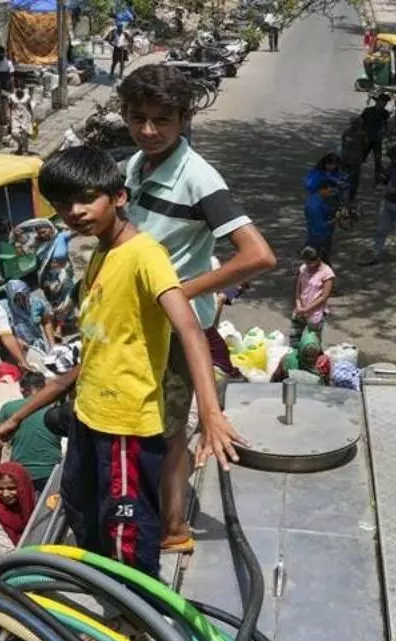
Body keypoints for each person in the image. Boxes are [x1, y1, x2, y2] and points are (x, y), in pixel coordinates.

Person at [15, 145, 241, 577]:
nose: (76, 212)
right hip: (90, 414)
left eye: (87, 199)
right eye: (64, 204)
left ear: (118, 197)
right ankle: (104, 583)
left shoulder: (144, 254)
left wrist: (210, 414)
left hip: (126, 424)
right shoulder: (102, 252)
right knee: (81, 504)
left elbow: (190, 328)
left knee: (128, 530)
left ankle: (133, 612)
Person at [117, 65, 276, 556]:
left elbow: (258, 256)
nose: (148, 130)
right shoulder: (135, 165)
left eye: (161, 120)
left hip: (176, 330)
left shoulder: (199, 179)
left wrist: (181, 291)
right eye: (138, 118)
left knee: (167, 432)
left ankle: (172, 528)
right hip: (137, 325)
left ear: (184, 118)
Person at [0, 372, 63, 489]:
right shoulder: (56, 408)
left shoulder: (9, 408)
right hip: (52, 472)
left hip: (21, 473)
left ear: (22, 389)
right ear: (44, 388)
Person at [291, 247, 334, 344]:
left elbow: (324, 297)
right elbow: (298, 289)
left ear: (318, 259)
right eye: (305, 262)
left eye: (309, 263)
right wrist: (299, 305)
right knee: (294, 340)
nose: (307, 265)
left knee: (313, 344)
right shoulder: (303, 268)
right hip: (300, 310)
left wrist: (306, 309)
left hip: (315, 314)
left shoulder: (327, 273)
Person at [2, 278, 54, 354]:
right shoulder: (4, 310)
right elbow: (3, 334)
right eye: (17, 299)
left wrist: (52, 344)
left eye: (23, 297)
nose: (21, 301)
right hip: (18, 351)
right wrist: (17, 340)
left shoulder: (36, 303)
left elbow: (46, 322)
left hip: (38, 347)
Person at [358, 94, 390, 186]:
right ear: (378, 101)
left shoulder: (385, 113)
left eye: (385, 102)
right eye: (382, 101)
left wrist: (384, 134)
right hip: (366, 138)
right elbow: (361, 122)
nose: (383, 104)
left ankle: (377, 180)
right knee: (360, 158)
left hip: (377, 140)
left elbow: (386, 126)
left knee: (378, 159)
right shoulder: (368, 111)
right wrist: (361, 135)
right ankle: (351, 176)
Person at [305, 181, 337, 262]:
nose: (330, 194)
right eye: (329, 191)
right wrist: (335, 220)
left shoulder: (318, 199)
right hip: (319, 238)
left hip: (319, 235)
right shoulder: (315, 207)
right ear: (322, 190)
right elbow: (319, 226)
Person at [338, 117, 368, 202]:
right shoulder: (361, 134)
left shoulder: (349, 133)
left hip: (351, 159)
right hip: (351, 159)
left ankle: (349, 195)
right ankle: (349, 195)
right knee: (350, 178)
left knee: (350, 178)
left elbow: (343, 144)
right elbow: (365, 147)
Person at [7, 85, 33, 154]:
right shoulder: (11, 97)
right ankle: (20, 144)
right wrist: (8, 116)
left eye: (21, 88)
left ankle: (25, 150)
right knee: (14, 133)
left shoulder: (27, 97)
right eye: (17, 88)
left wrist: (32, 118)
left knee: (25, 133)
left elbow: (29, 108)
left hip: (25, 116)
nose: (19, 89)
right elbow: (9, 107)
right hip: (15, 116)